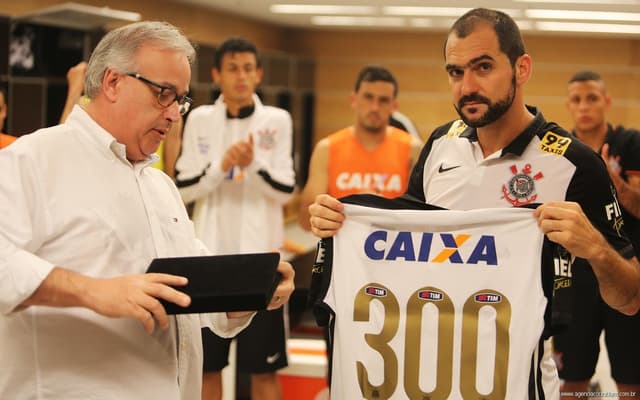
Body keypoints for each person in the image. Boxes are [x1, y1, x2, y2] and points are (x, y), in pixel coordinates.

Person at [307, 8, 640, 399]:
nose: (467, 86)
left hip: (518, 383)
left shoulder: (574, 163)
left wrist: (597, 249)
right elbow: (402, 236)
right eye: (455, 71)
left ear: (522, 68)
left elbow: (631, 299)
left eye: (483, 67)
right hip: (425, 374)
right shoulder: (439, 145)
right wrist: (340, 220)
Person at [0, 21, 295, 400]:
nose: (174, 116)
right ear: (112, 82)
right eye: (163, 94)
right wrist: (93, 292)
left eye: (181, 100)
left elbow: (187, 285)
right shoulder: (33, 160)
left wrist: (250, 290)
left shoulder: (158, 186)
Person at [175, 37, 295, 400]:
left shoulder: (277, 119)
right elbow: (181, 189)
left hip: (262, 258)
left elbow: (286, 190)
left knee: (264, 369)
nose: (240, 76)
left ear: (258, 74)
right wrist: (221, 167)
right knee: (207, 368)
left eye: (247, 68)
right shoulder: (199, 118)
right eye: (232, 68)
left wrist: (253, 164)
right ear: (217, 75)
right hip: (210, 259)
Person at [553, 70, 640, 398]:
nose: (584, 106)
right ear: (568, 105)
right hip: (574, 277)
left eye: (592, 98)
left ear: (606, 102)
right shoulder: (559, 149)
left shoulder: (630, 144)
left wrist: (612, 181)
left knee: (630, 383)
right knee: (571, 381)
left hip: (625, 269)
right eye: (577, 99)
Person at [298, 65, 423, 230]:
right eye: (368, 97)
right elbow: (306, 222)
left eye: (383, 100)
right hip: (343, 250)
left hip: (394, 250)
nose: (374, 107)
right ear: (353, 100)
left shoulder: (413, 149)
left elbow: (422, 218)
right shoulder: (327, 149)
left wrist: (379, 207)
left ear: (394, 106)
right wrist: (347, 210)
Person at [59, 60, 184, 178]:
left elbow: (169, 173)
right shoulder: (89, 106)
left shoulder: (172, 117)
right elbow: (63, 149)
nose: (173, 114)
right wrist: (75, 89)